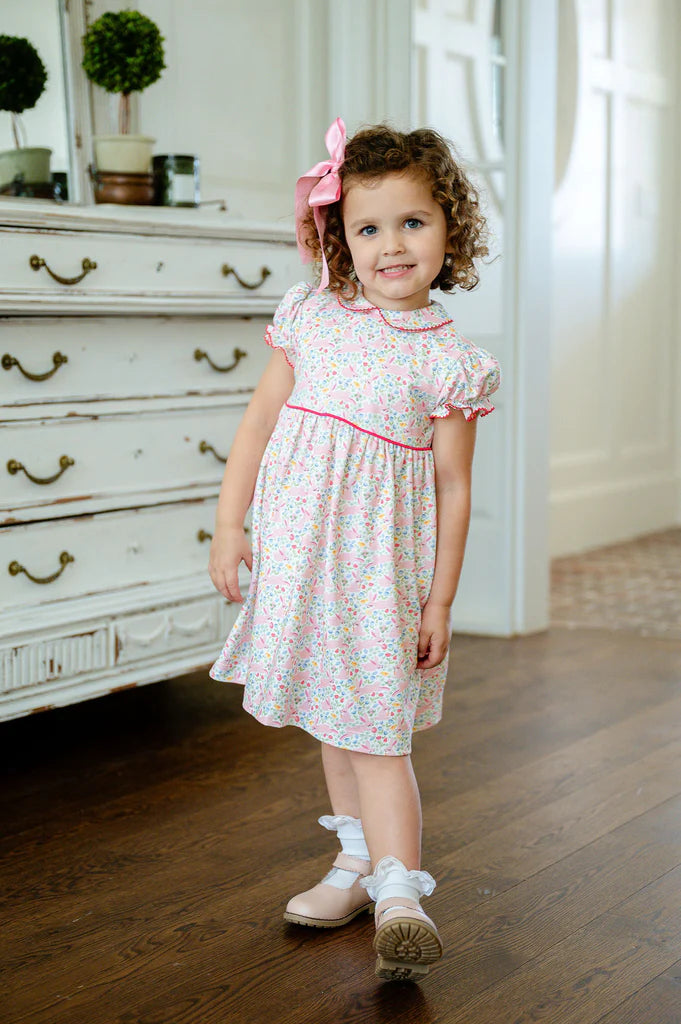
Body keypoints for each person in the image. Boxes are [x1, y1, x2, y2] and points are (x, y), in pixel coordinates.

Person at [208, 117, 501, 982]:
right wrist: (229, 524)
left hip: (380, 580)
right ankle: (355, 864)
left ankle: (401, 892)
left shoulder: (448, 364)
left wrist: (439, 600)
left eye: (412, 222)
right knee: (332, 719)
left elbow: (453, 488)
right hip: (302, 563)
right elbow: (258, 424)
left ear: (449, 230)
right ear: (340, 237)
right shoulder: (311, 318)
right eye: (367, 228)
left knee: (375, 731)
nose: (391, 245)